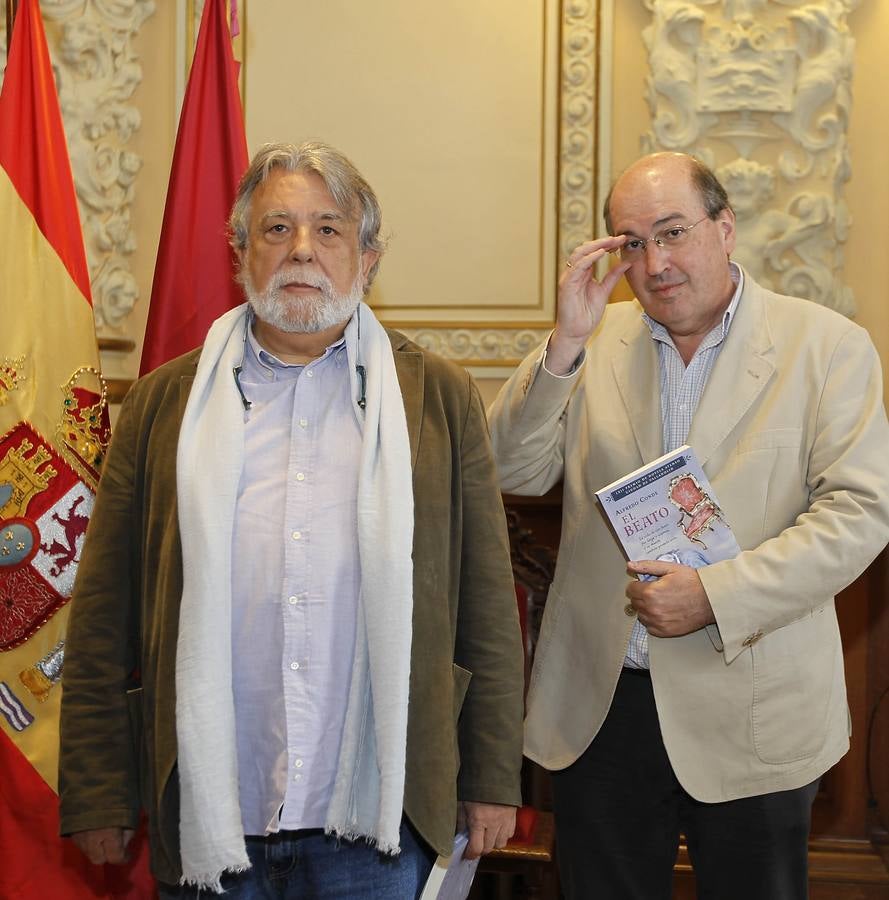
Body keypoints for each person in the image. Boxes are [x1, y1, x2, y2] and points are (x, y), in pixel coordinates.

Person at [59, 141, 524, 898]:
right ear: (240, 251)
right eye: (276, 229)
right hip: (213, 812)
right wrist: (98, 789)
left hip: (379, 818)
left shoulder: (436, 397)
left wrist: (493, 775)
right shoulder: (160, 405)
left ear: (367, 258)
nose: (301, 250)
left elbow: (484, 606)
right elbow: (104, 613)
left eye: (328, 230)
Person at [488, 151, 889, 900]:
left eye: (672, 233)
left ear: (725, 227)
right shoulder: (591, 343)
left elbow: (860, 513)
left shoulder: (826, 346)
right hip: (601, 710)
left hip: (752, 700)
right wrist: (564, 344)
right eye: (631, 242)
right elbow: (509, 473)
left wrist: (717, 593)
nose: (655, 262)